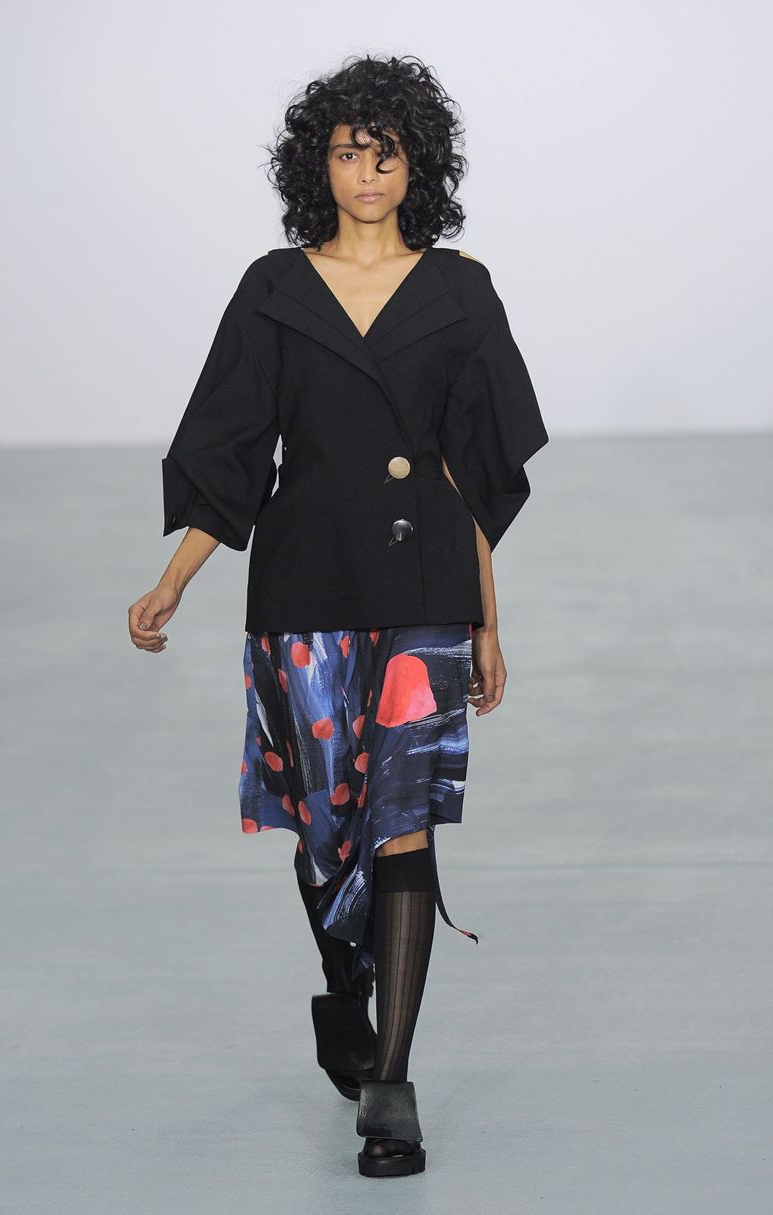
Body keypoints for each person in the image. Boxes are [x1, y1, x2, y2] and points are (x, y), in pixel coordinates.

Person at [128, 52, 549, 1179]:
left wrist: (487, 621)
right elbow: (230, 451)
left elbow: (473, 469)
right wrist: (175, 580)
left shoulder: (459, 289)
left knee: (403, 820)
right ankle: (344, 989)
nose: (367, 171)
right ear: (317, 166)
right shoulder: (275, 287)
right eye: (348, 151)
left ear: (419, 165)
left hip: (422, 595)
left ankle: (390, 1088)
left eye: (387, 152)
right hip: (306, 584)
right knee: (325, 828)